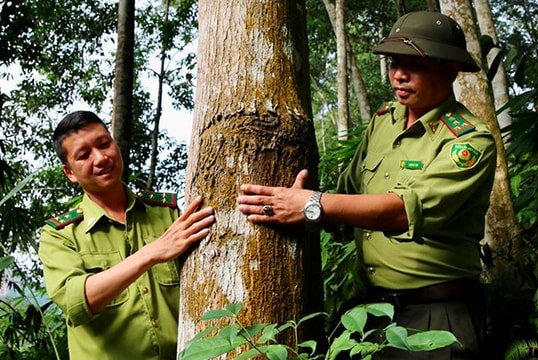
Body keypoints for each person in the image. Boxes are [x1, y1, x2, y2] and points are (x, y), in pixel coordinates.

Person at [237, 10, 496, 359]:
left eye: (414, 64)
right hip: (368, 311)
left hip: (435, 315)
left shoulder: (469, 142)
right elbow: (348, 194)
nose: (398, 75)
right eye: (394, 62)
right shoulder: (384, 121)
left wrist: (312, 204)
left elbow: (402, 210)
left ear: (449, 70)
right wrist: (296, 198)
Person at [38, 111, 215, 359]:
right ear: (69, 173)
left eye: (104, 144)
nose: (100, 158)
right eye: (84, 155)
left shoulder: (168, 215)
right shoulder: (59, 235)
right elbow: (76, 301)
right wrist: (151, 253)